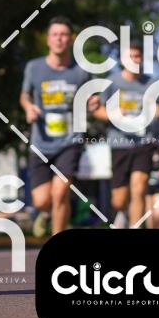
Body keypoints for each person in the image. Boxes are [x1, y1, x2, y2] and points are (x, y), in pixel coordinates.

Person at [20, 16, 98, 237]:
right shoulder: (34, 68)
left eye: (64, 35)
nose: (59, 39)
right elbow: (25, 95)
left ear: (70, 39)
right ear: (48, 39)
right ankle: (45, 213)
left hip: (70, 140)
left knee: (61, 191)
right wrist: (28, 107)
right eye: (55, 34)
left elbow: (91, 97)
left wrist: (94, 102)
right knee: (42, 200)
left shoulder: (81, 71)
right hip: (41, 142)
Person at [94, 41, 159, 227]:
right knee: (119, 200)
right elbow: (97, 111)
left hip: (144, 142)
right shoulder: (112, 82)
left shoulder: (151, 83)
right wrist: (115, 116)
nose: (134, 60)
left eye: (137, 56)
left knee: (140, 187)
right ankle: (124, 212)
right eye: (130, 56)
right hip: (119, 143)